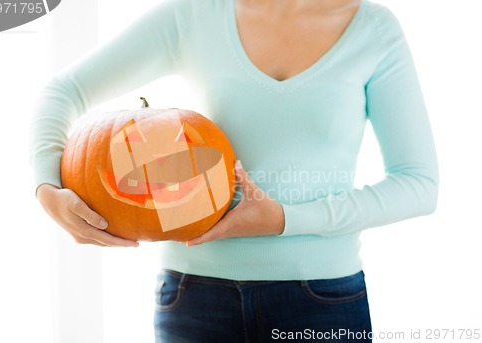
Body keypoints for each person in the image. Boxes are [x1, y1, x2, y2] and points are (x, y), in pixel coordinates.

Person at [30, 0, 439, 341]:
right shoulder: (193, 14)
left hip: (323, 300)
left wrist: (285, 220)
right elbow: (64, 90)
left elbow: (418, 183)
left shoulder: (373, 29)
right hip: (192, 297)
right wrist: (47, 188)